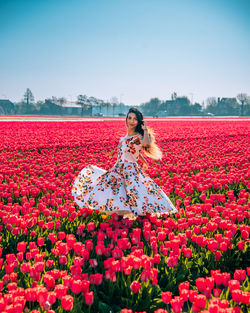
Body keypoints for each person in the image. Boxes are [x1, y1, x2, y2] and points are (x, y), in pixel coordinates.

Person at [72, 107, 177, 218]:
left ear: (138, 122)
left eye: (135, 119)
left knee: (132, 193)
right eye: (129, 118)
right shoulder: (124, 137)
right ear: (126, 119)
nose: (131, 121)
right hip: (118, 168)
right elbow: (133, 151)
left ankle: (127, 220)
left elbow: (146, 144)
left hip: (130, 170)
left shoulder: (138, 137)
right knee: (113, 191)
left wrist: (145, 129)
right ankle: (120, 219)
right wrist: (143, 159)